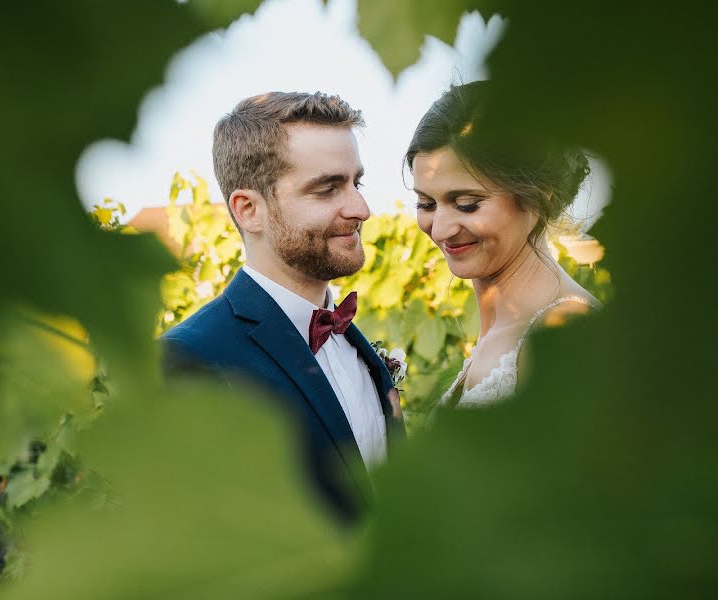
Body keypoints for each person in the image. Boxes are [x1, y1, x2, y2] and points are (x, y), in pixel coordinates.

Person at [162, 91, 405, 523]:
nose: (361, 208)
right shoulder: (189, 359)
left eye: (357, 182)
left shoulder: (359, 349)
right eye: (328, 188)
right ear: (249, 210)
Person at [405, 81, 600, 410]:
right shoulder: (501, 331)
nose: (440, 229)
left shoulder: (566, 334)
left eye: (467, 204)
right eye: (426, 204)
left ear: (539, 195)